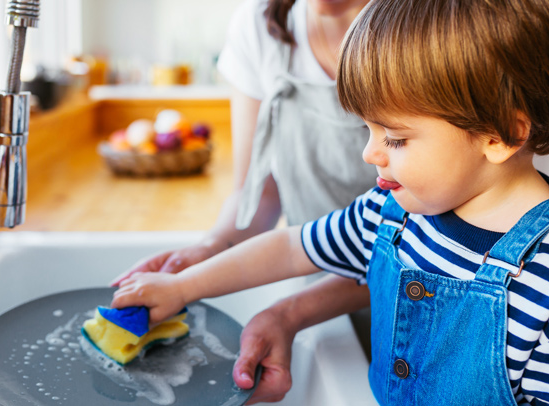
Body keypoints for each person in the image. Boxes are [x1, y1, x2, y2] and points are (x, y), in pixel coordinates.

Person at [113, 0, 549, 404]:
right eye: (368, 129)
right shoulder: (392, 211)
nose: (371, 153)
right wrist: (182, 285)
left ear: (500, 134)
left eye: (395, 138)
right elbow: (290, 248)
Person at [111, 0, 376, 401]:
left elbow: (410, 247)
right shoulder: (262, 27)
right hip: (325, 292)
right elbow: (259, 197)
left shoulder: (425, 31)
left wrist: (291, 311)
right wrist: (209, 251)